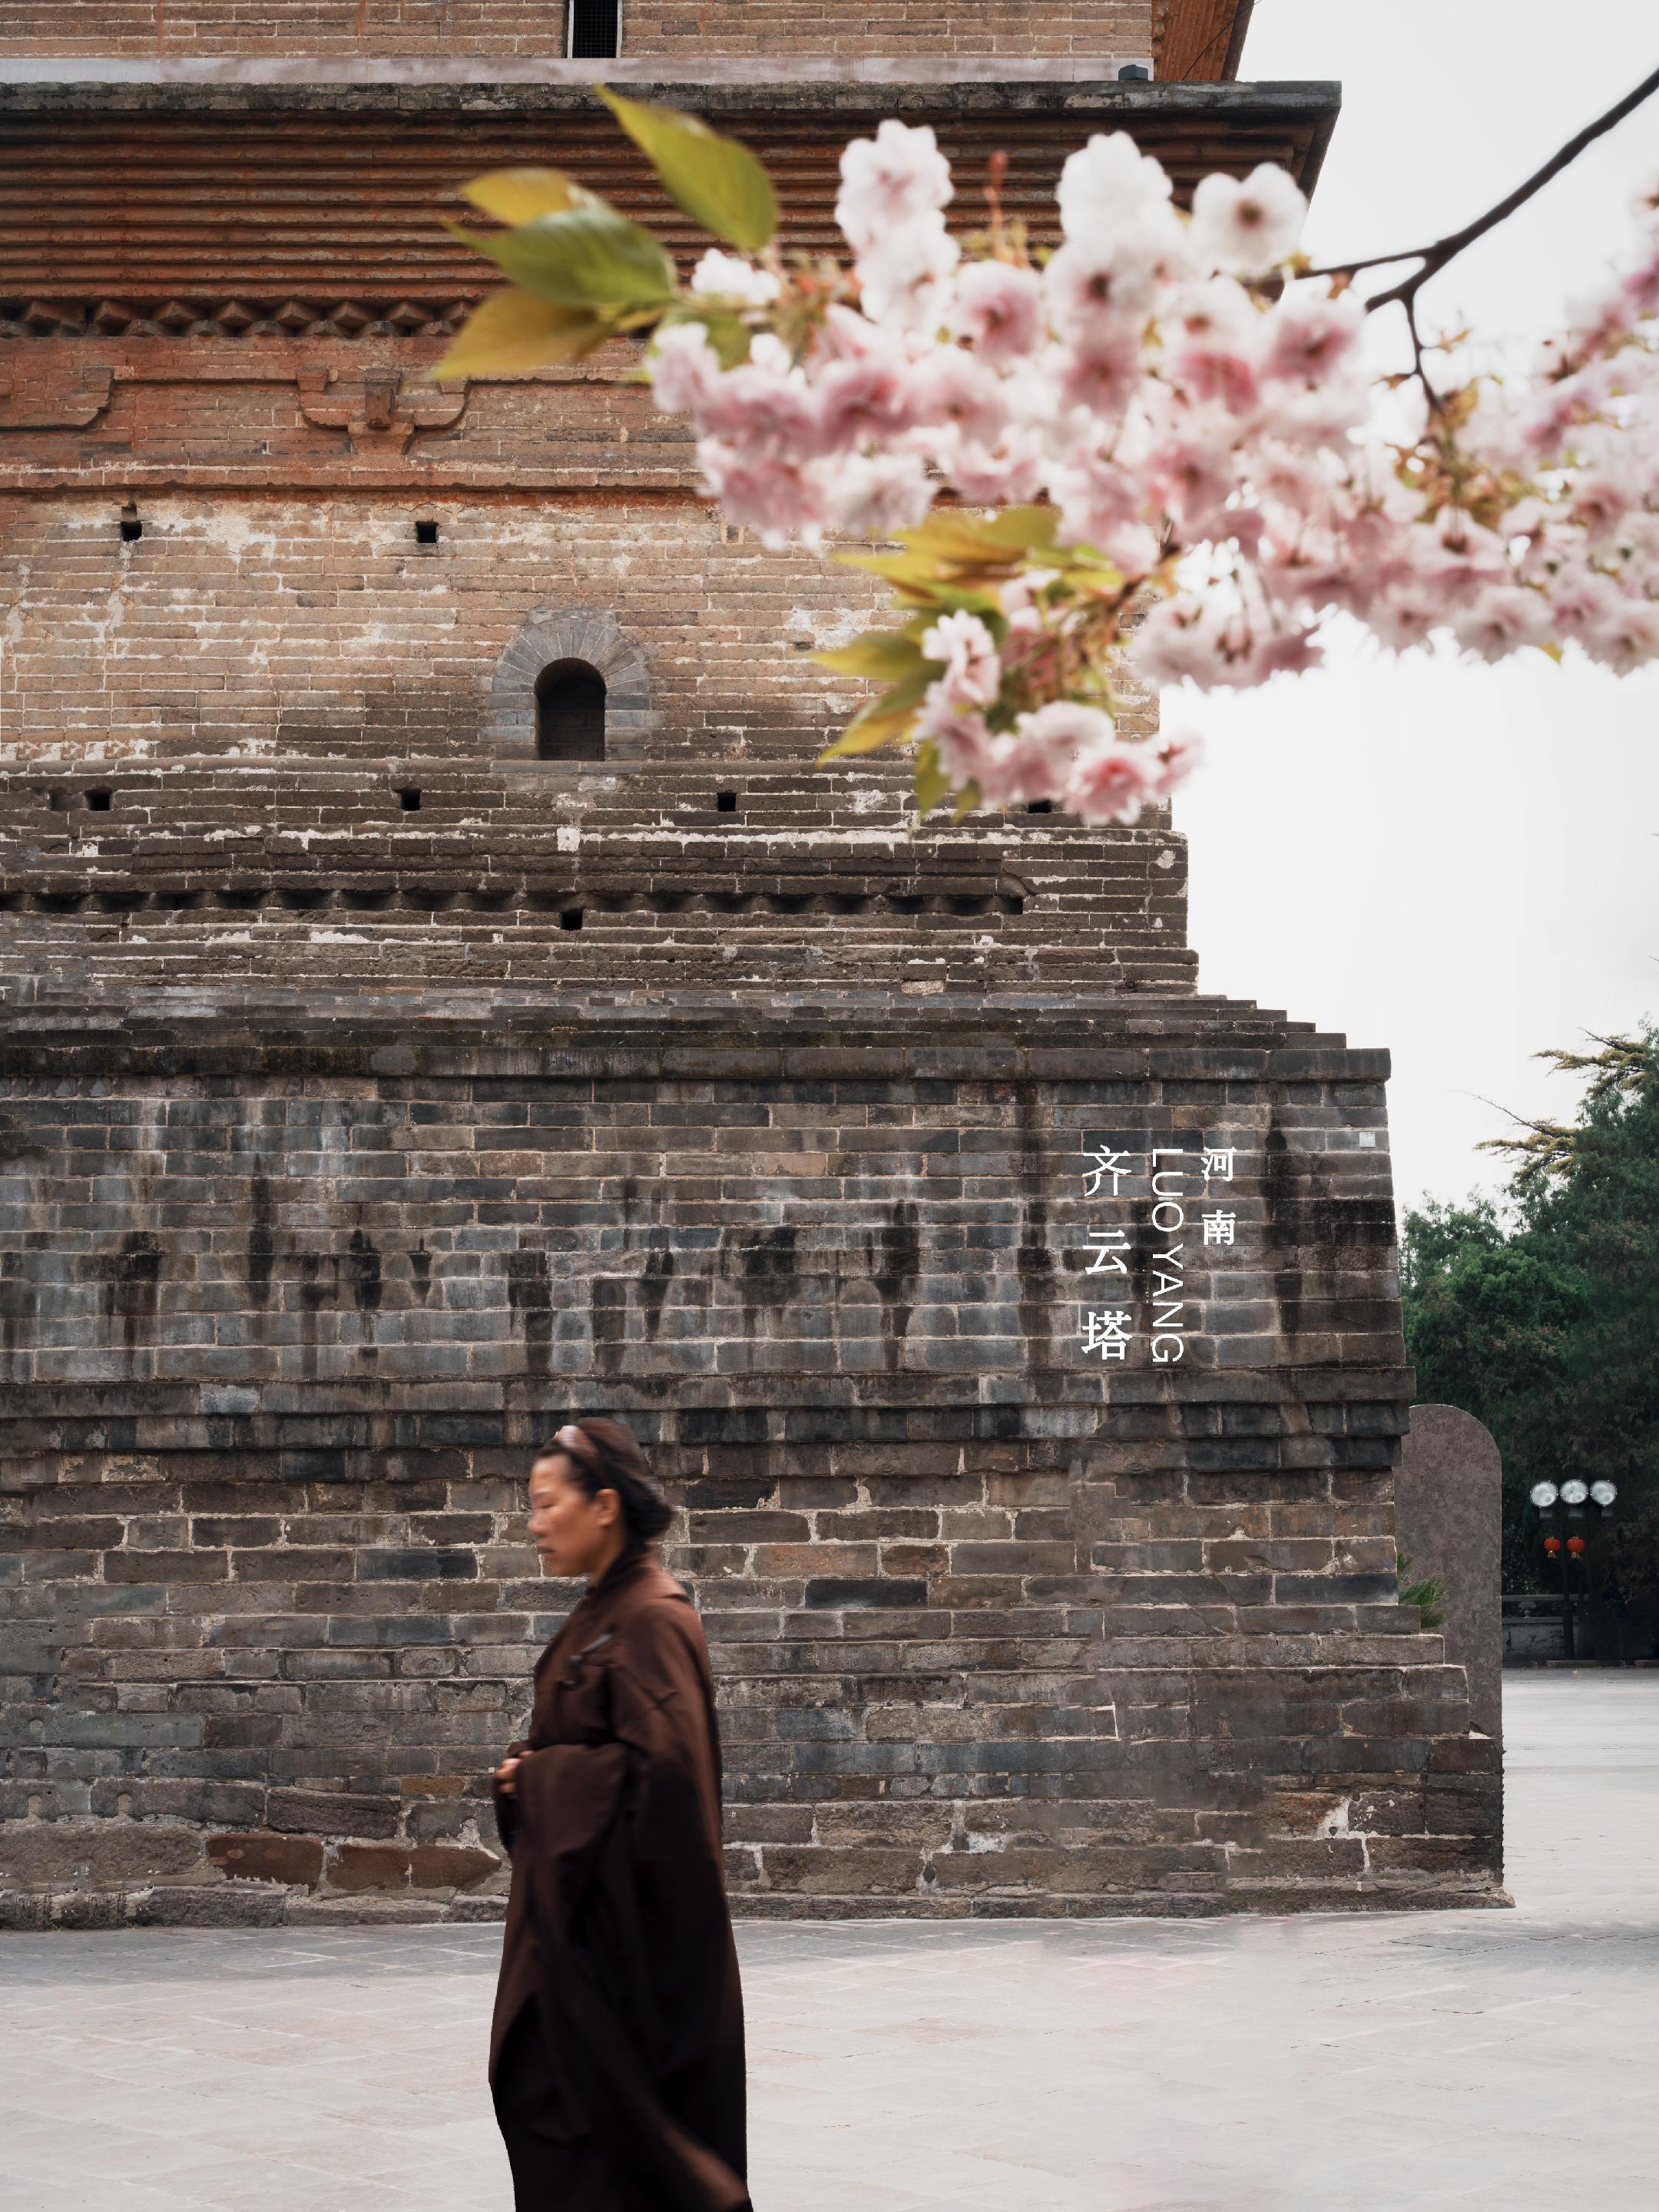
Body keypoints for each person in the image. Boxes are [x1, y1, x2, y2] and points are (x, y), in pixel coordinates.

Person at [489, 1418, 750, 2212]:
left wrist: (539, 1778)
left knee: (633, 2162)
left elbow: (667, 1785)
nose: (534, 1525)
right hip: (581, 1945)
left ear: (604, 1506)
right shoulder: (602, 1611)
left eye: (547, 1504)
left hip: (632, 1963)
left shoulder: (652, 1618)